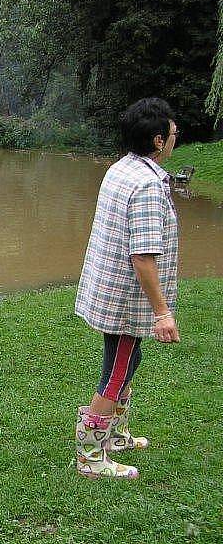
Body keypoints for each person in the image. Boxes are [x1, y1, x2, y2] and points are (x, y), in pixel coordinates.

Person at [74, 97, 180, 479]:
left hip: (108, 289)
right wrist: (162, 313)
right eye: (172, 134)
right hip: (126, 299)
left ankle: (116, 436)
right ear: (156, 140)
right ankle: (90, 455)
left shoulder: (122, 169)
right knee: (118, 370)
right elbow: (143, 256)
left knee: (125, 365)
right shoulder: (148, 185)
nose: (174, 139)